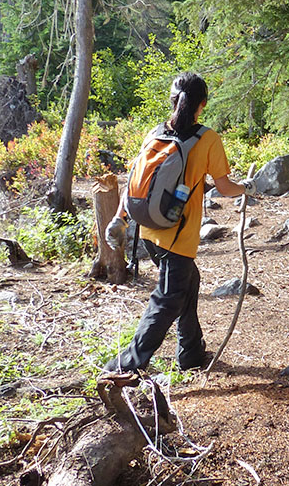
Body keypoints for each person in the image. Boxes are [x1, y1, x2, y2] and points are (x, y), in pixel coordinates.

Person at [103, 72, 251, 373]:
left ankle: (191, 353)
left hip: (148, 230)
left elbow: (132, 181)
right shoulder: (206, 138)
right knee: (168, 299)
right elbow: (224, 187)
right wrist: (247, 188)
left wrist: (120, 218)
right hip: (177, 236)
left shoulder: (155, 133)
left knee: (188, 282)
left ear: (173, 100)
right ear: (203, 104)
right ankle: (123, 366)